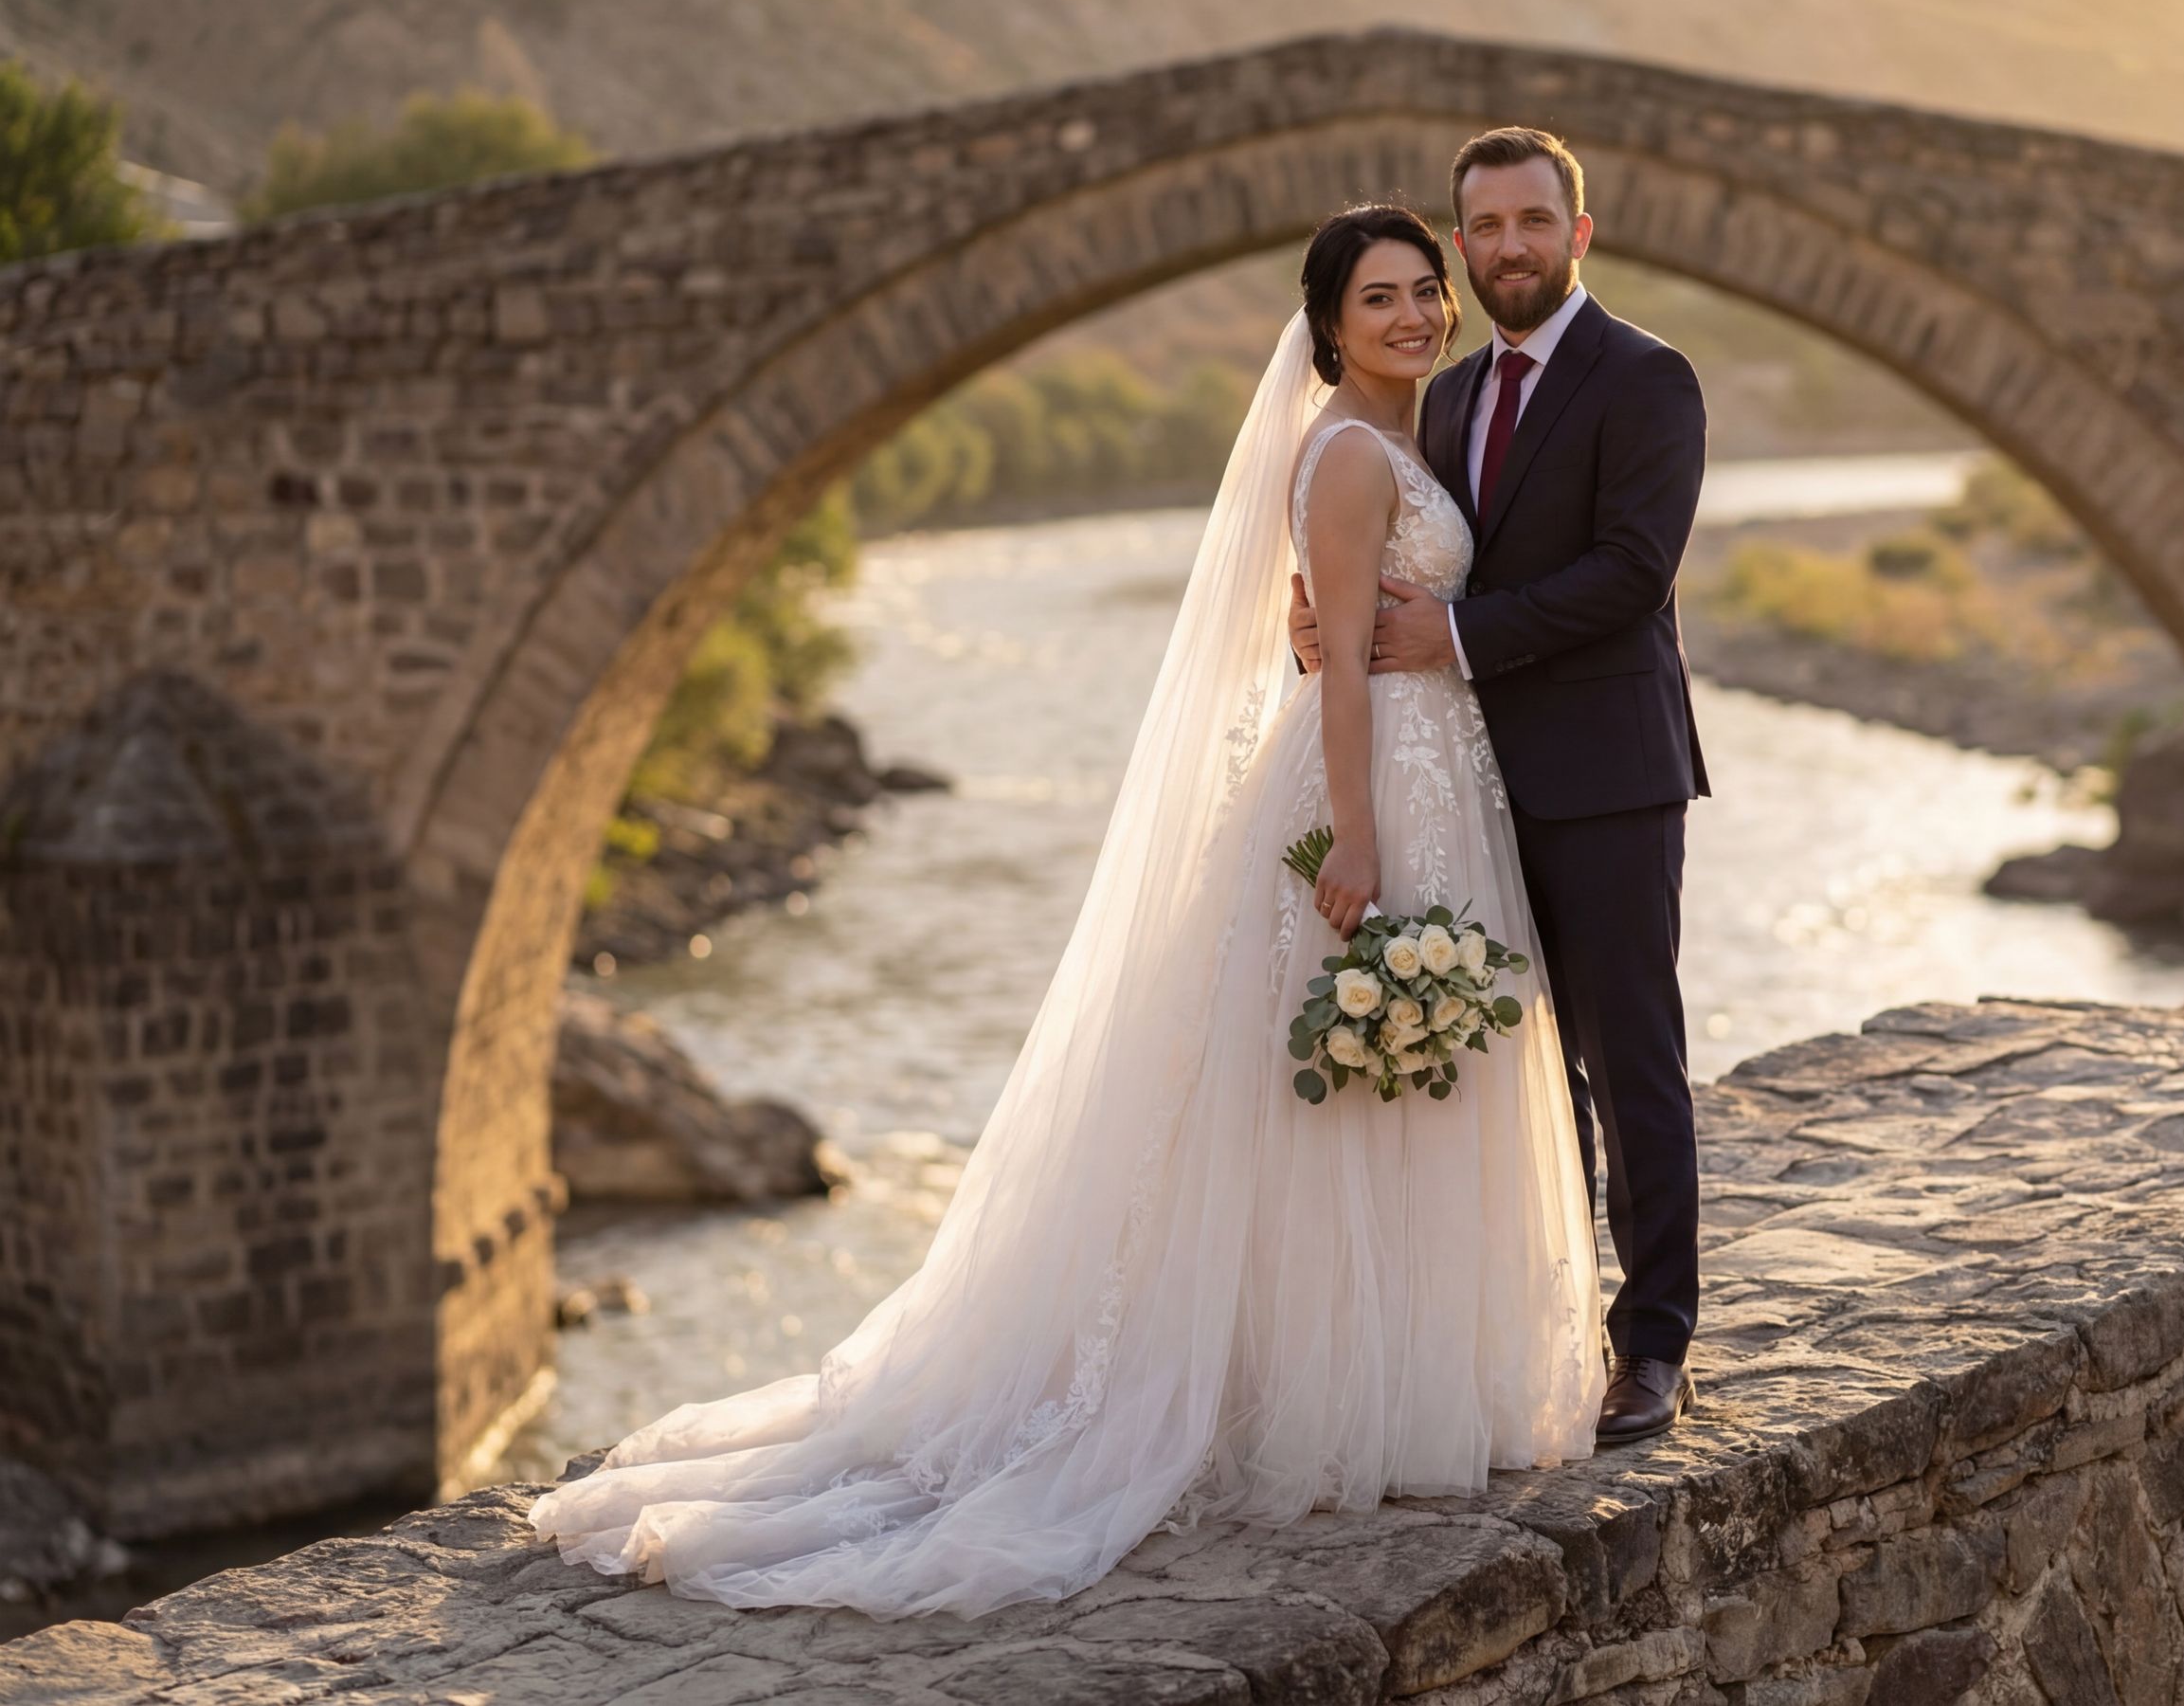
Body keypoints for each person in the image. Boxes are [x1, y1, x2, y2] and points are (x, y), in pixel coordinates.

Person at [526, 203, 1604, 1620]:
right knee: (1329, 1093)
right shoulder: (1346, 453)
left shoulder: (1413, 433)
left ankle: (1396, 1380)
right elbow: (1336, 660)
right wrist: (1354, 834)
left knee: (1401, 1086)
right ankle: (1315, 1399)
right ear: (1328, 323)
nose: (1411, 314)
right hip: (1375, 788)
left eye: (1424, 292)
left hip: (1441, 774)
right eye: (1379, 297)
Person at [1291, 128, 1709, 1443]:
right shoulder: (1448, 395)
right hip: (1465, 787)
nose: (1511, 245)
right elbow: (1384, 562)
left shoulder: (1646, 378)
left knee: (1627, 1054)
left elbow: (1632, 569)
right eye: (1488, 227)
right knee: (1512, 1078)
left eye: (1537, 220)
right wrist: (1322, 631)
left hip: (1603, 773)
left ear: (1577, 232)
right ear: (1465, 245)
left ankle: (1650, 1344)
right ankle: (1524, 1325)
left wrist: (1455, 639)